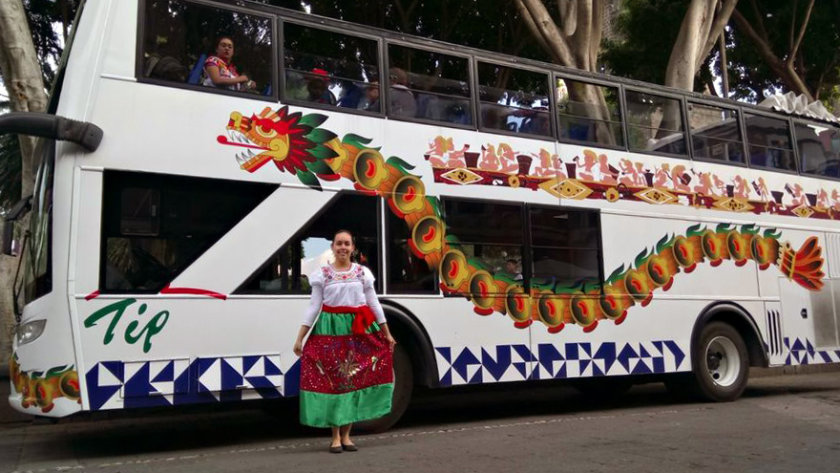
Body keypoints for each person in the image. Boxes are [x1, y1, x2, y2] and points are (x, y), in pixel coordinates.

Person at [293, 230, 397, 453]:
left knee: (353, 380)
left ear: (352, 248)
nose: (342, 247)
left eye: (346, 244)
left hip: (358, 333)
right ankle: (335, 437)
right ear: (332, 247)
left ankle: (347, 435)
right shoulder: (322, 275)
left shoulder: (362, 273)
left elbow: (374, 304)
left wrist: (386, 333)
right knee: (334, 382)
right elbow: (314, 307)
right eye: (339, 243)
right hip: (329, 331)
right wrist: (300, 337)